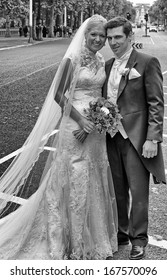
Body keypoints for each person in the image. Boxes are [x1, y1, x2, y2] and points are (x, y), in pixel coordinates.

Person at [0, 15, 118, 260]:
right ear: (84, 35)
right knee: (73, 177)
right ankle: (70, 241)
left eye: (103, 36)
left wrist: (103, 114)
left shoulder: (99, 59)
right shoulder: (71, 59)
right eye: (94, 34)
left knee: (93, 176)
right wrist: (80, 119)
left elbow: (98, 93)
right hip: (74, 127)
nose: (98, 39)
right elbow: (59, 94)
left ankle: (92, 238)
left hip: (95, 130)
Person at [102, 16, 166, 260]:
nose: (113, 42)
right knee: (117, 190)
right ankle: (121, 231)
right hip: (111, 137)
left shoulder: (147, 62)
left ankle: (139, 240)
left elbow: (156, 104)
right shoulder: (107, 66)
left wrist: (153, 139)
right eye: (110, 38)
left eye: (118, 37)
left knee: (139, 193)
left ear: (130, 37)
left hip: (137, 139)